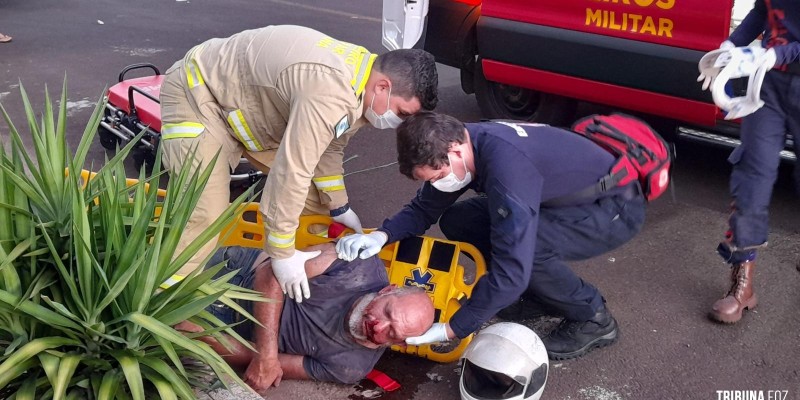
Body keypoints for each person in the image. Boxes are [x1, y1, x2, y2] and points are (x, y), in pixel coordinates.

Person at [158, 25, 438, 302]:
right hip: (201, 95)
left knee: (316, 202)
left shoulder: (363, 85)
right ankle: (164, 302)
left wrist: (338, 205)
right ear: (383, 86)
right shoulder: (331, 92)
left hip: (248, 113)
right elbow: (293, 171)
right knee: (205, 213)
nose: (398, 123)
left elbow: (330, 147)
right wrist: (281, 252)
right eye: (402, 113)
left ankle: (300, 282)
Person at [336, 112, 647, 360]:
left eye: (439, 176)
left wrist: (451, 329)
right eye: (430, 180)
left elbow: (512, 271)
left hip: (612, 210)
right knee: (461, 220)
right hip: (557, 198)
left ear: (454, 151)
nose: (438, 184)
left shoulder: (506, 171)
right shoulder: (461, 140)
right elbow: (424, 209)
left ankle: (593, 317)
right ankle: (541, 295)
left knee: (529, 253)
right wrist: (382, 236)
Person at [176, 242, 435, 392]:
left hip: (227, 326)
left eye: (391, 333)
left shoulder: (351, 366)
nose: (378, 327)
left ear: (401, 344)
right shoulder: (359, 265)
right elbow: (270, 274)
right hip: (239, 273)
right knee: (165, 262)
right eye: (387, 312)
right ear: (387, 290)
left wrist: (194, 334)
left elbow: (256, 359)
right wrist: (266, 355)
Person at [701, 0, 800, 324]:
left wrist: (776, 54)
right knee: (751, 179)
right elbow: (762, 10)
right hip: (768, 85)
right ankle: (742, 284)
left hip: (780, 66)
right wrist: (730, 46)